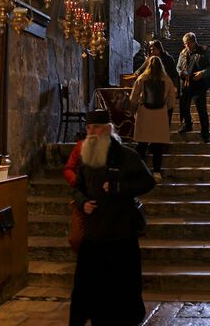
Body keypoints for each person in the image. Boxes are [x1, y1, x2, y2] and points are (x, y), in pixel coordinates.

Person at [69, 109, 155, 326]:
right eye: (88, 128)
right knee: (89, 286)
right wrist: (82, 203)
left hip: (120, 234)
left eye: (95, 128)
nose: (91, 132)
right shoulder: (85, 155)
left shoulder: (126, 155)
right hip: (94, 234)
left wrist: (119, 187)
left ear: (107, 129)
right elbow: (77, 187)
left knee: (121, 287)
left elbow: (147, 181)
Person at [129, 56, 176, 182]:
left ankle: (139, 171)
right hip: (160, 114)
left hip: (144, 112)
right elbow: (172, 100)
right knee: (158, 145)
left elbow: (133, 98)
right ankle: (156, 172)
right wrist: (166, 107)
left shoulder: (142, 78)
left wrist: (135, 108)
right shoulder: (167, 80)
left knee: (142, 145)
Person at [176, 32, 210, 143]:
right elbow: (178, 67)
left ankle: (205, 132)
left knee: (201, 109)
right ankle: (187, 124)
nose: (187, 46)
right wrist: (181, 72)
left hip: (199, 84)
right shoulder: (183, 53)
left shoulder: (204, 51)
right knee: (184, 106)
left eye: (189, 43)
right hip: (186, 84)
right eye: (185, 44)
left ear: (194, 42)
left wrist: (202, 73)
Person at [134, 40, 180, 124]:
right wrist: (137, 73)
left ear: (159, 49)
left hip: (165, 87)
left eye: (154, 49)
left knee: (166, 114)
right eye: (151, 49)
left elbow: (174, 74)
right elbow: (142, 68)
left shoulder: (168, 59)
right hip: (153, 89)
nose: (152, 51)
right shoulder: (150, 59)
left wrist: (175, 87)